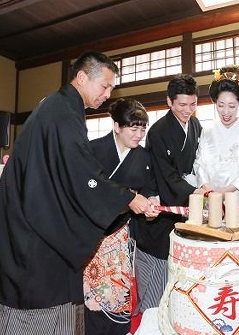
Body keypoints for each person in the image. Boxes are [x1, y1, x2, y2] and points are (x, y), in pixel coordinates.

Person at [0, 51, 155, 335]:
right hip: (35, 226)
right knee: (38, 289)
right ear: (81, 78)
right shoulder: (63, 113)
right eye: (104, 86)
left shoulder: (58, 107)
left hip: (24, 214)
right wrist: (127, 197)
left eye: (111, 88)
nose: (108, 94)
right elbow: (81, 173)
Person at [83, 98, 160, 335]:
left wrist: (151, 201)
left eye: (143, 128)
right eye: (133, 128)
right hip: (90, 230)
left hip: (120, 233)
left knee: (119, 288)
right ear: (117, 126)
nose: (139, 134)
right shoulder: (93, 149)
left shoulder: (144, 157)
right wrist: (128, 198)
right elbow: (86, 185)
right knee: (92, 289)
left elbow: (149, 188)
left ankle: (118, 330)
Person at [133, 74, 206, 312]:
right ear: (169, 102)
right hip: (161, 208)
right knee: (157, 278)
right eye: (182, 105)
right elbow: (164, 176)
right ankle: (151, 317)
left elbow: (200, 163)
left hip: (185, 208)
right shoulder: (158, 131)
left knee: (182, 279)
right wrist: (195, 191)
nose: (188, 110)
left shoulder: (195, 125)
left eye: (193, 104)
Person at [192, 65, 239, 205]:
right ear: (215, 102)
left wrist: (226, 191)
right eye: (220, 105)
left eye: (232, 106)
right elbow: (199, 163)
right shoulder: (207, 130)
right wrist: (208, 189)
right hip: (211, 198)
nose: (225, 112)